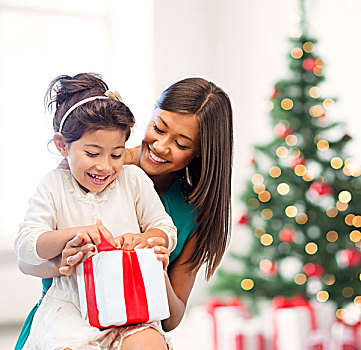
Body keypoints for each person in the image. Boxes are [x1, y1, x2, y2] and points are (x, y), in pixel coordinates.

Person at [16, 76, 233, 348]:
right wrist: (64, 260)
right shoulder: (78, 170)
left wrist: (153, 262)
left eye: (181, 144)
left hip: (134, 321)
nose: (162, 146)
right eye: (159, 127)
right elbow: (26, 255)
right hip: (68, 318)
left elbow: (171, 317)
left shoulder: (176, 205)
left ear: (201, 152)